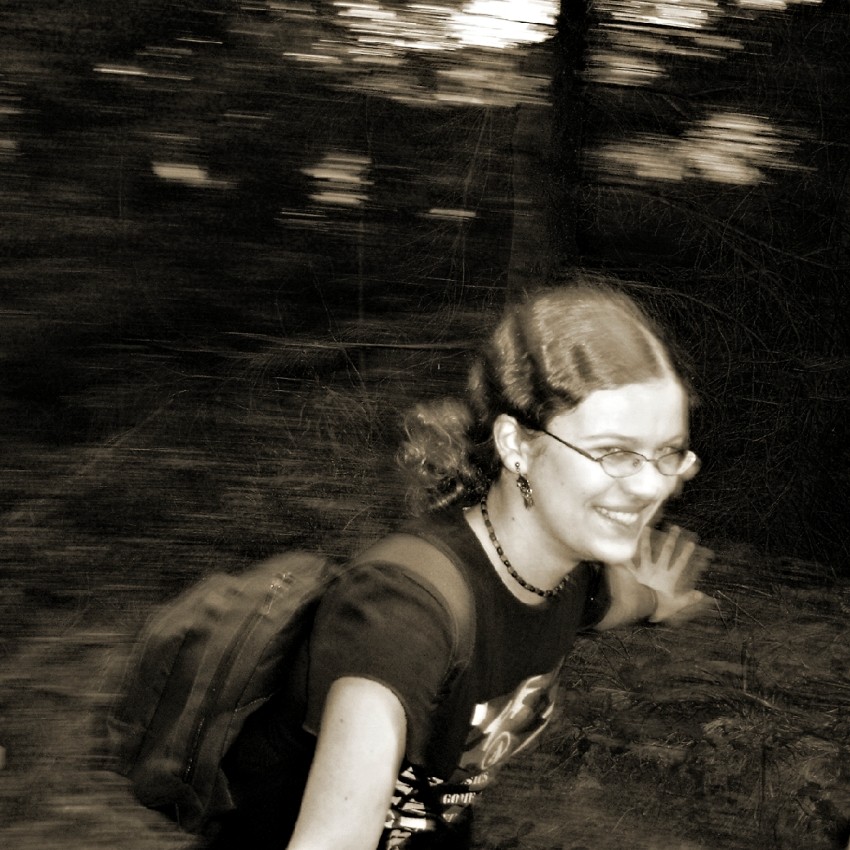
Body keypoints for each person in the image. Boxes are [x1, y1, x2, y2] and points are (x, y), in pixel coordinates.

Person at [215, 281, 711, 850]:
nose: (651, 486)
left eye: (668, 452)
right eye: (615, 452)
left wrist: (660, 602)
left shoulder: (571, 574)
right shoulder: (402, 611)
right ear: (516, 445)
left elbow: (615, 604)